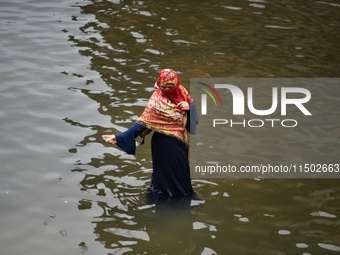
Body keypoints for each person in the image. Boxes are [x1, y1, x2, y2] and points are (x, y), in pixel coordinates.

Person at [103, 68, 198, 199]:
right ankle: (178, 199)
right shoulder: (157, 99)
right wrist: (119, 137)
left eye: (171, 86)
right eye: (164, 86)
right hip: (164, 144)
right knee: (168, 173)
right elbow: (144, 122)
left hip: (180, 141)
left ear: (177, 83)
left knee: (182, 170)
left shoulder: (182, 91)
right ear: (159, 84)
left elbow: (193, 107)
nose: (168, 89)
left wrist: (189, 107)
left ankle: (177, 197)